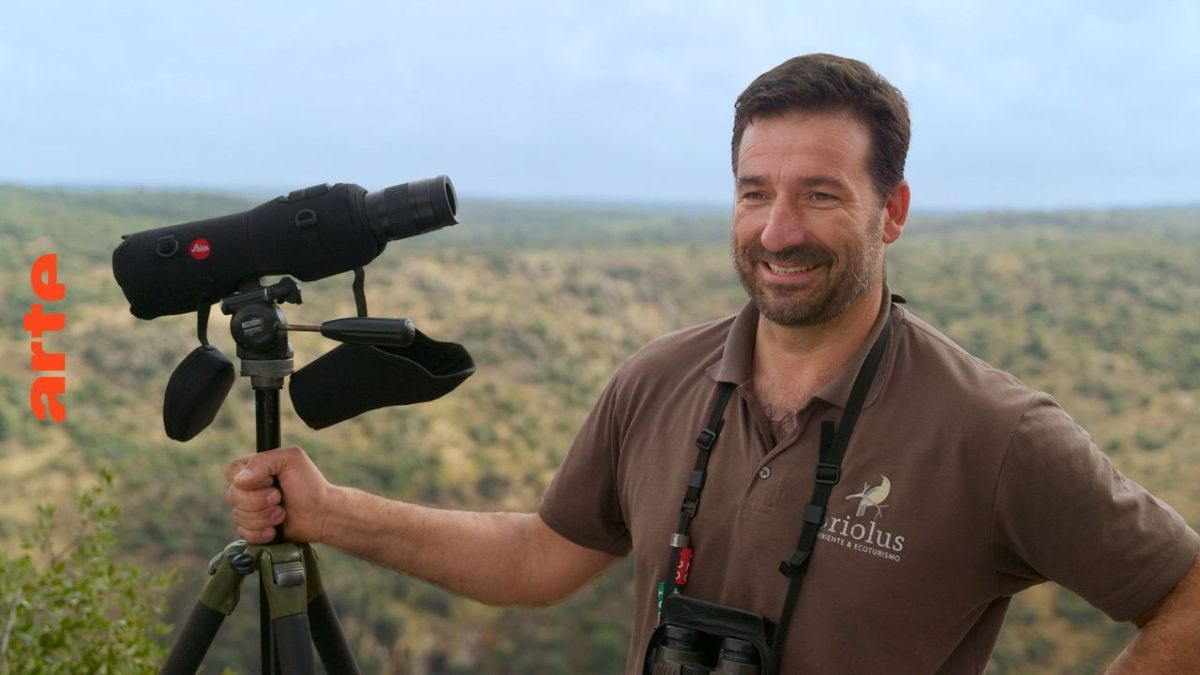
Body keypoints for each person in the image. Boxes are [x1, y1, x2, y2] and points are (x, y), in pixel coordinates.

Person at [226, 54, 1200, 673]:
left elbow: (1184, 594)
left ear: (892, 212)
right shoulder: (657, 382)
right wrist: (330, 510)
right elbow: (539, 557)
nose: (778, 230)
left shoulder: (991, 433)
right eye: (754, 192)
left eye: (821, 195)